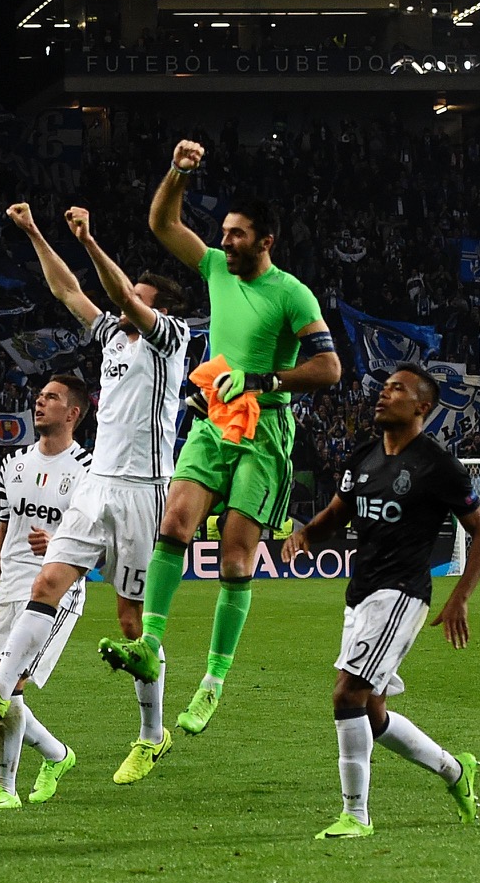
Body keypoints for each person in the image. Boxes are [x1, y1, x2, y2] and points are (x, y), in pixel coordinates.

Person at [100, 139, 341, 734]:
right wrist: (177, 171)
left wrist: (262, 379)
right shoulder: (213, 267)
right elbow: (163, 224)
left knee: (235, 558)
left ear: (266, 241)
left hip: (265, 430)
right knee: (174, 524)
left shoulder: (292, 294)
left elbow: (330, 368)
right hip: (213, 422)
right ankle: (148, 645)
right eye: (225, 232)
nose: (225, 241)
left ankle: (212, 682)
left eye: (237, 234)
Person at [0, 202, 189, 785]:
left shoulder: (169, 339)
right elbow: (68, 290)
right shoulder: (115, 337)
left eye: (139, 300)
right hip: (97, 483)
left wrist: (89, 239)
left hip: (144, 490)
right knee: (47, 582)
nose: (127, 306)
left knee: (132, 622)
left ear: (160, 310)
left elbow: (119, 293)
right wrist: (35, 232)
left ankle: (151, 734)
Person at [283, 365, 480, 839]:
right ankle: (455, 771)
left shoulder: (438, 465)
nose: (384, 394)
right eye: (384, 387)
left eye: (397, 389)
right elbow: (337, 513)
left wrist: (460, 598)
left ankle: (356, 816)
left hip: (402, 594)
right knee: (371, 712)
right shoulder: (364, 456)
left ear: (422, 406)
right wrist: (306, 534)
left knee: (347, 694)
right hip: (361, 593)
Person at [0, 378, 93, 810]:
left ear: (73, 414)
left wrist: (61, 544)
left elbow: (99, 537)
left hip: (55, 593)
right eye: (39, 396)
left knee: (5, 687)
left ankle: (4, 788)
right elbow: (5, 529)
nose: (39, 402)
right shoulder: (13, 463)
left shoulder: (88, 470)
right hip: (9, 588)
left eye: (51, 398)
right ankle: (56, 755)